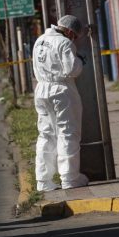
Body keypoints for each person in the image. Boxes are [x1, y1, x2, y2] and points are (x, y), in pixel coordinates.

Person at [32, 14, 89, 191]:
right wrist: (80, 60)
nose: (75, 40)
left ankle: (43, 181)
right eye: (75, 36)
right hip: (61, 90)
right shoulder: (64, 43)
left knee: (46, 134)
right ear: (70, 32)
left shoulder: (40, 40)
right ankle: (70, 177)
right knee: (67, 132)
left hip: (41, 90)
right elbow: (72, 69)